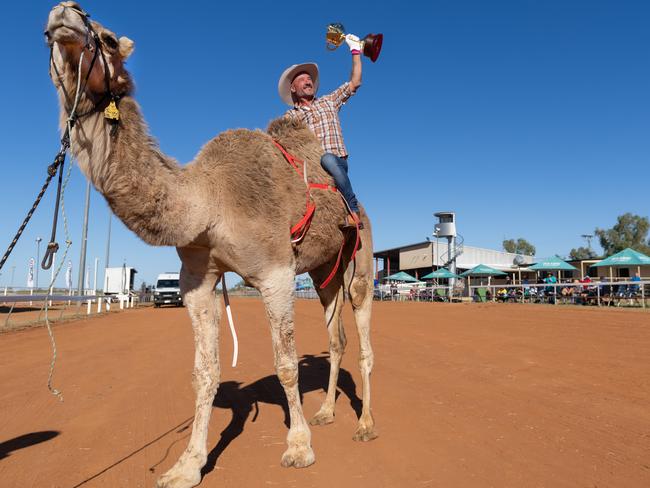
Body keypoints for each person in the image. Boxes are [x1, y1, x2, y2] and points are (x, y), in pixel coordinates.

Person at [278, 34, 364, 229]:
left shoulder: (328, 101)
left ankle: (353, 209)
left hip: (336, 162)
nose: (308, 81)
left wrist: (355, 51)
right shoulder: (290, 117)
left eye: (309, 79)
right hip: (310, 169)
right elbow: (277, 137)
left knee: (328, 159)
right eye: (302, 80)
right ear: (293, 87)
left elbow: (355, 82)